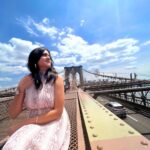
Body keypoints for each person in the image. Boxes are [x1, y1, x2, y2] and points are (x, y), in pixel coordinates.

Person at [3, 47, 70, 150]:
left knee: (41, 146)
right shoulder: (26, 81)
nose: (48, 57)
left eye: (49, 55)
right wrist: (21, 88)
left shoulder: (57, 79)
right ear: (35, 60)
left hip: (53, 120)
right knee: (13, 146)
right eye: (44, 55)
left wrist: (23, 123)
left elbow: (57, 112)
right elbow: (13, 114)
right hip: (33, 123)